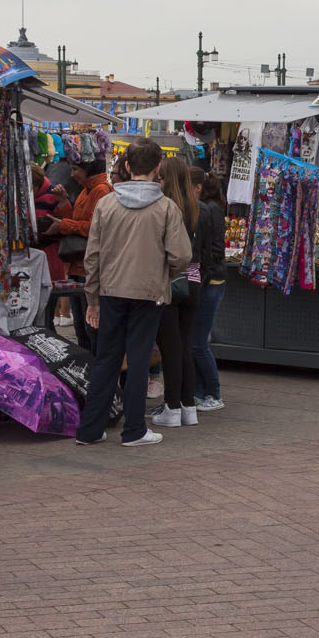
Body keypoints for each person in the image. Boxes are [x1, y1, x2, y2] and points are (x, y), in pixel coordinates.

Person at [77, 140, 192, 446]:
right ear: (158, 169)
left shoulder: (107, 204)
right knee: (140, 358)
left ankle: (90, 429)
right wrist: (163, 274)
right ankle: (134, 430)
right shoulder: (166, 207)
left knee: (106, 359)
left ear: (127, 166)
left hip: (111, 290)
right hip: (148, 291)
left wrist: (92, 296)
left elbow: (93, 255)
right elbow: (181, 256)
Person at [149, 156, 203, 429]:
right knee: (184, 345)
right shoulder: (198, 209)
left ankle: (172, 407)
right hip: (193, 281)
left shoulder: (163, 209)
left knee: (170, 348)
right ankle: (188, 406)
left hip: (169, 281)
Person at [191, 174, 229, 409]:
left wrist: (204, 276)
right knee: (196, 341)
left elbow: (213, 248)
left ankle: (213, 393)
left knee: (198, 341)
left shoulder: (210, 209)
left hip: (211, 281)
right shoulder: (211, 208)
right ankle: (199, 391)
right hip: (209, 278)